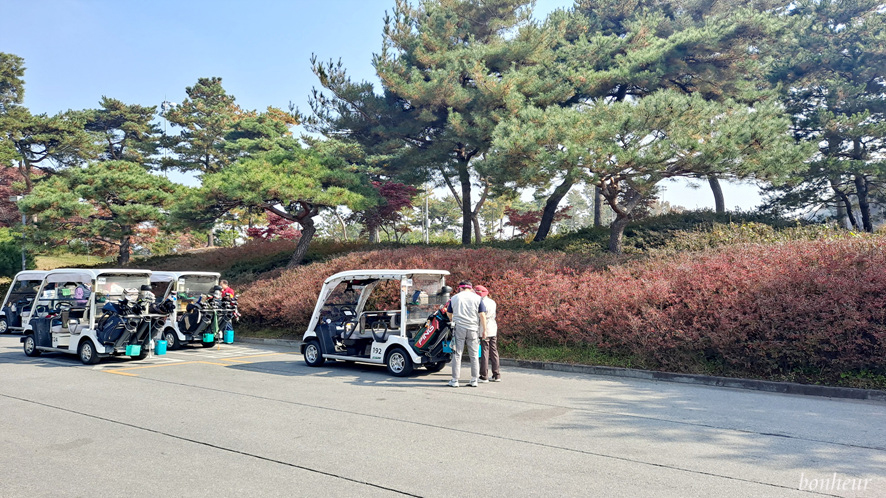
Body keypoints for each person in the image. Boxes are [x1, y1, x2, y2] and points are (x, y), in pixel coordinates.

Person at [446, 280, 487, 388]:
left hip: (459, 328)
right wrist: (484, 330)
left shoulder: (455, 298)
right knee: (473, 355)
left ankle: (455, 380)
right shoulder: (477, 298)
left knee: (457, 354)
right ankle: (474, 379)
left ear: (460, 287)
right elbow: (482, 315)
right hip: (473, 328)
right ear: (470, 287)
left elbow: (449, 313)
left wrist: (452, 319)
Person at [475, 285, 500, 383]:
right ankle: (496, 374)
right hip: (493, 327)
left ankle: (484, 375)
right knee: (494, 351)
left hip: (484, 328)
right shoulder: (492, 302)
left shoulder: (480, 302)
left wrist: (483, 330)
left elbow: (481, 316)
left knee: (485, 351)